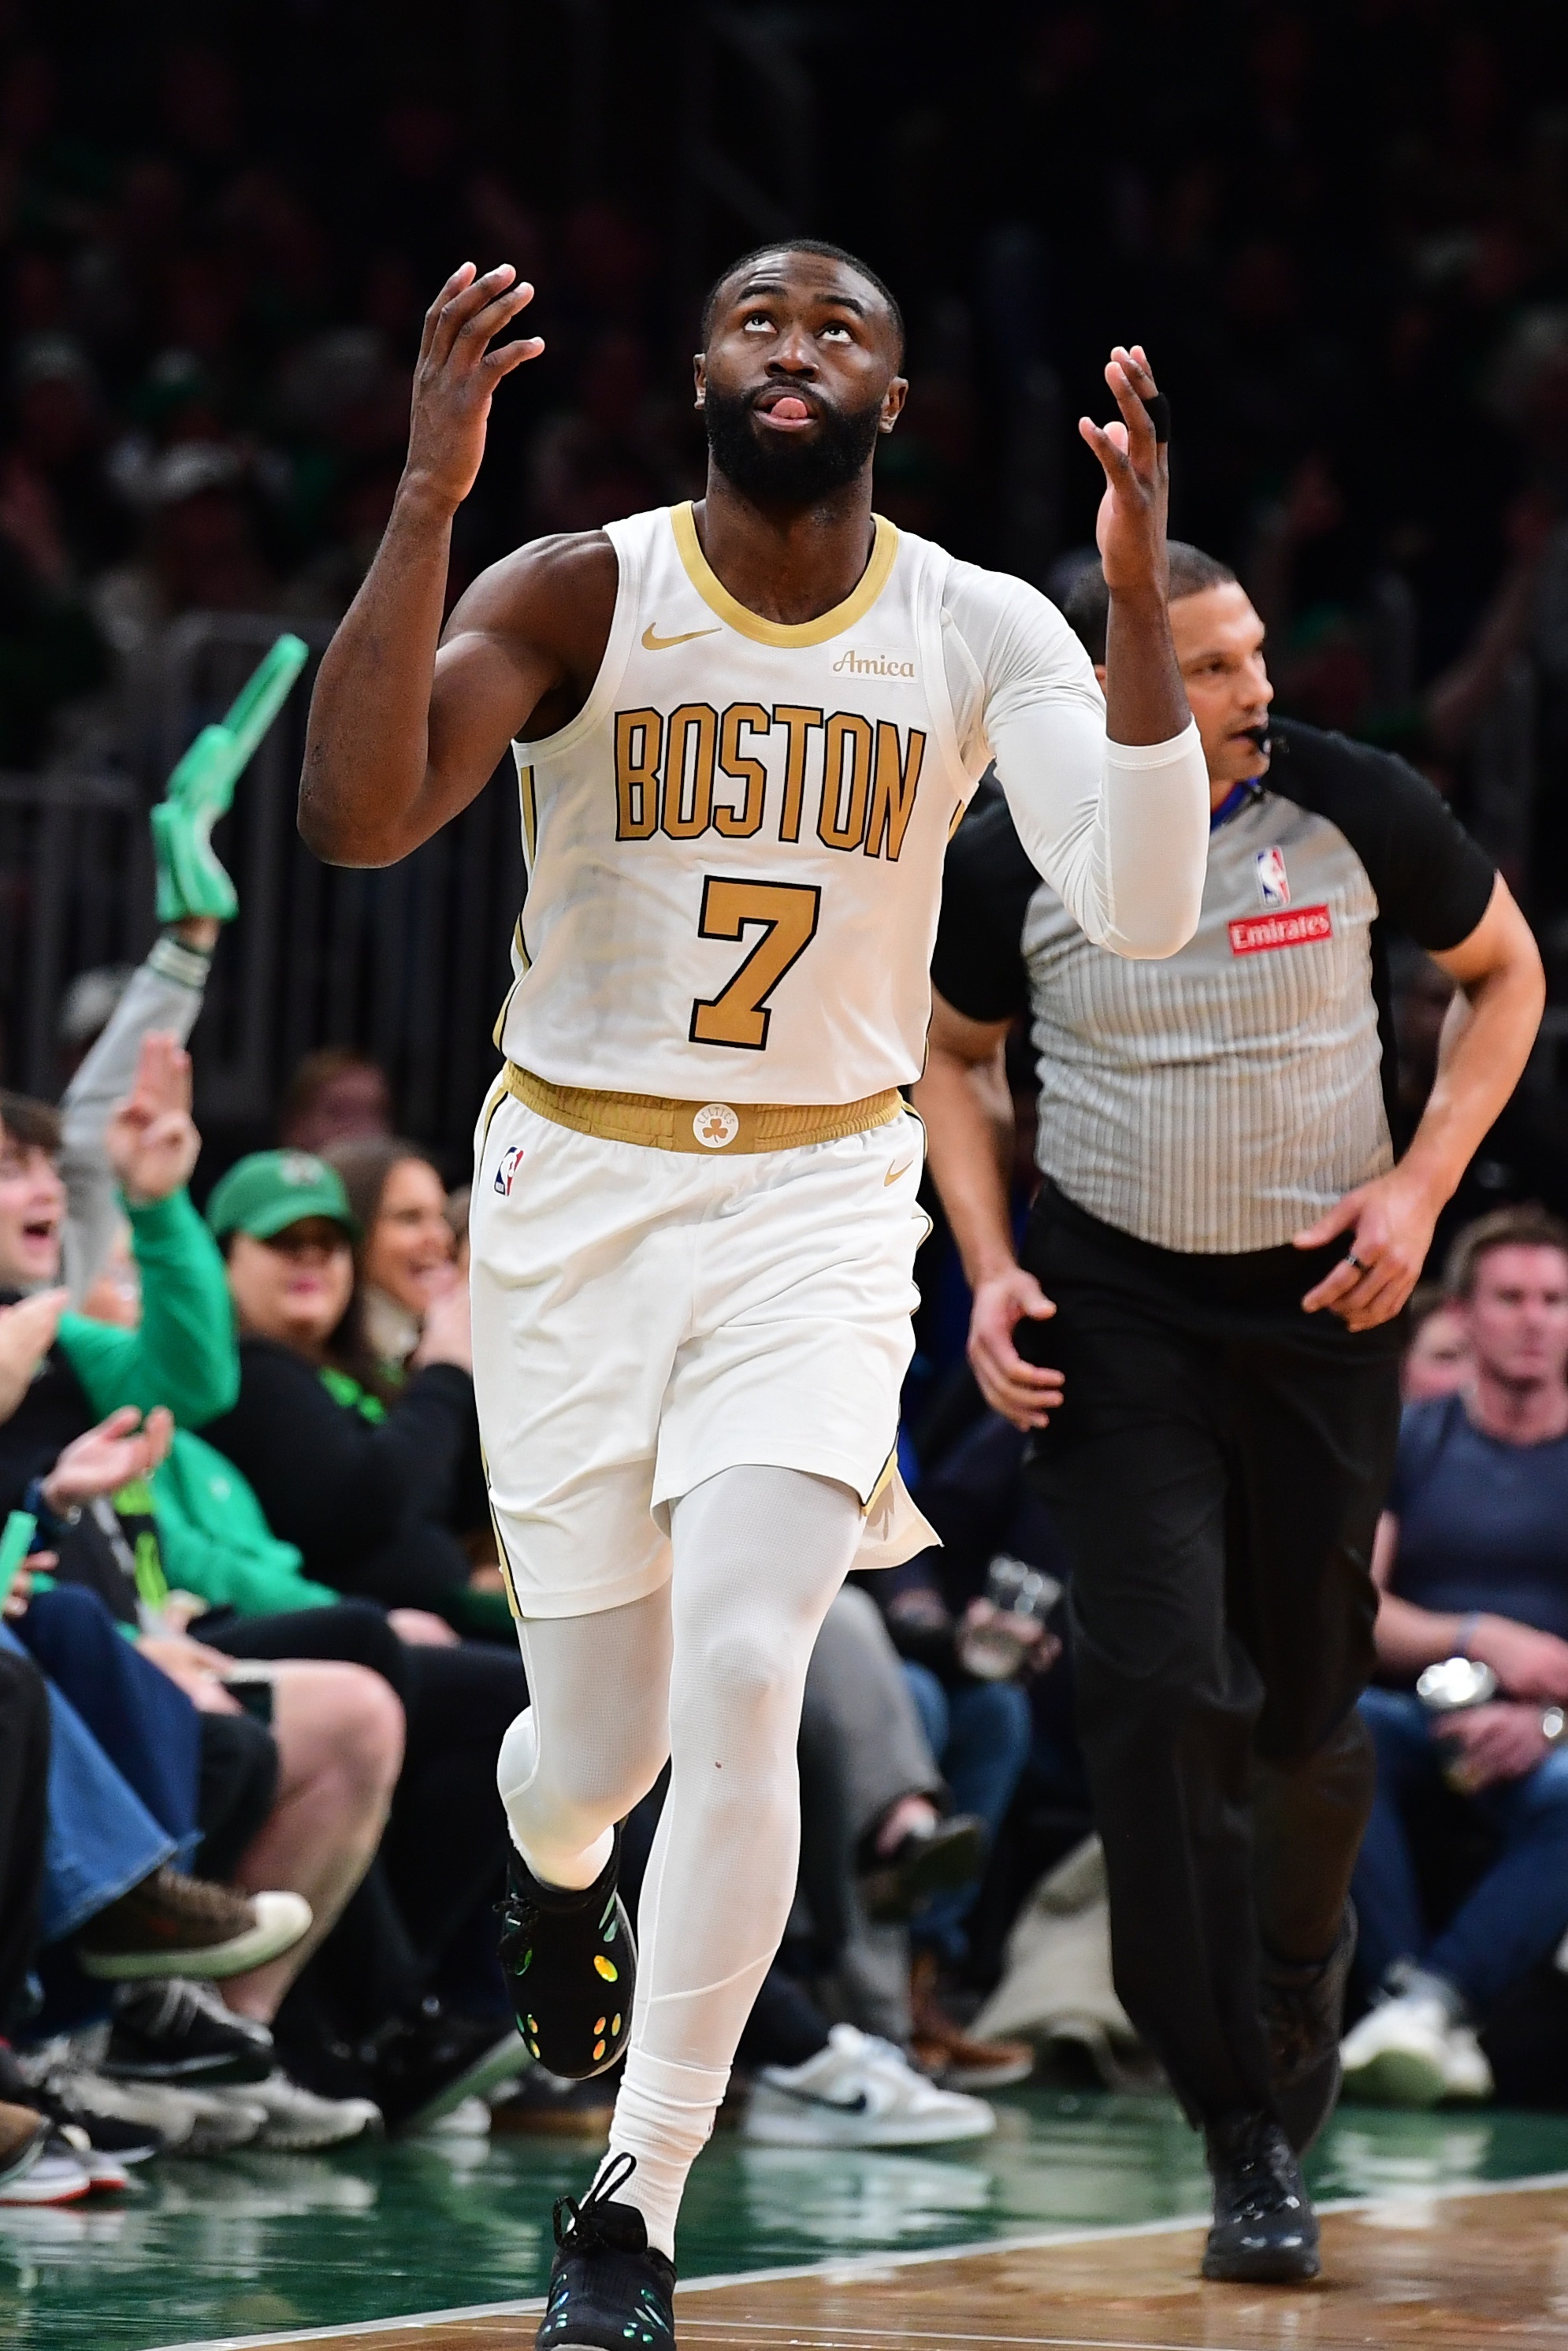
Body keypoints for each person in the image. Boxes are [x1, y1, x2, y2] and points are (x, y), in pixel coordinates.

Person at [300, 232, 1210, 2342]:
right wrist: (425, 499)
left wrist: (1135, 608)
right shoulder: (577, 589)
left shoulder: (977, 624)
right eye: (755, 322)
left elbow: (1145, 906)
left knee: (742, 1670)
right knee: (587, 1758)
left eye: (839, 329)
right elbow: (354, 819)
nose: (794, 347)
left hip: (817, 1200)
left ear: (892, 396)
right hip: (574, 1197)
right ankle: (555, 1887)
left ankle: (634, 2198)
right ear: (701, 371)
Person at [915, 543, 1544, 2282]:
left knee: (1304, 1724)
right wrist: (988, 1262)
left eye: (1252, 650)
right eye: (1205, 665)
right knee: (1154, 1695)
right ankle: (1236, 2123)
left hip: (1322, 1307)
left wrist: (1421, 1188)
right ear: (1107, 695)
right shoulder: (1013, 853)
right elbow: (950, 1056)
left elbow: (1505, 974)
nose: (1254, 685)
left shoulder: (1349, 801)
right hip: (1116, 1315)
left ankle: (1294, 1969)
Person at [1343, 1207, 1568, 2104]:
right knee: (1340, 1730)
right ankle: (1411, 2002)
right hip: (1417, 1715)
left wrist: (1547, 1719)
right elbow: (1356, 1611)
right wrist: (1477, 1636)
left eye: (1553, 1299)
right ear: (1464, 1314)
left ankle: (1425, 2005)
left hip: (1553, 1735)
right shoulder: (1409, 1438)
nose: (1534, 1319)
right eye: (1510, 1298)